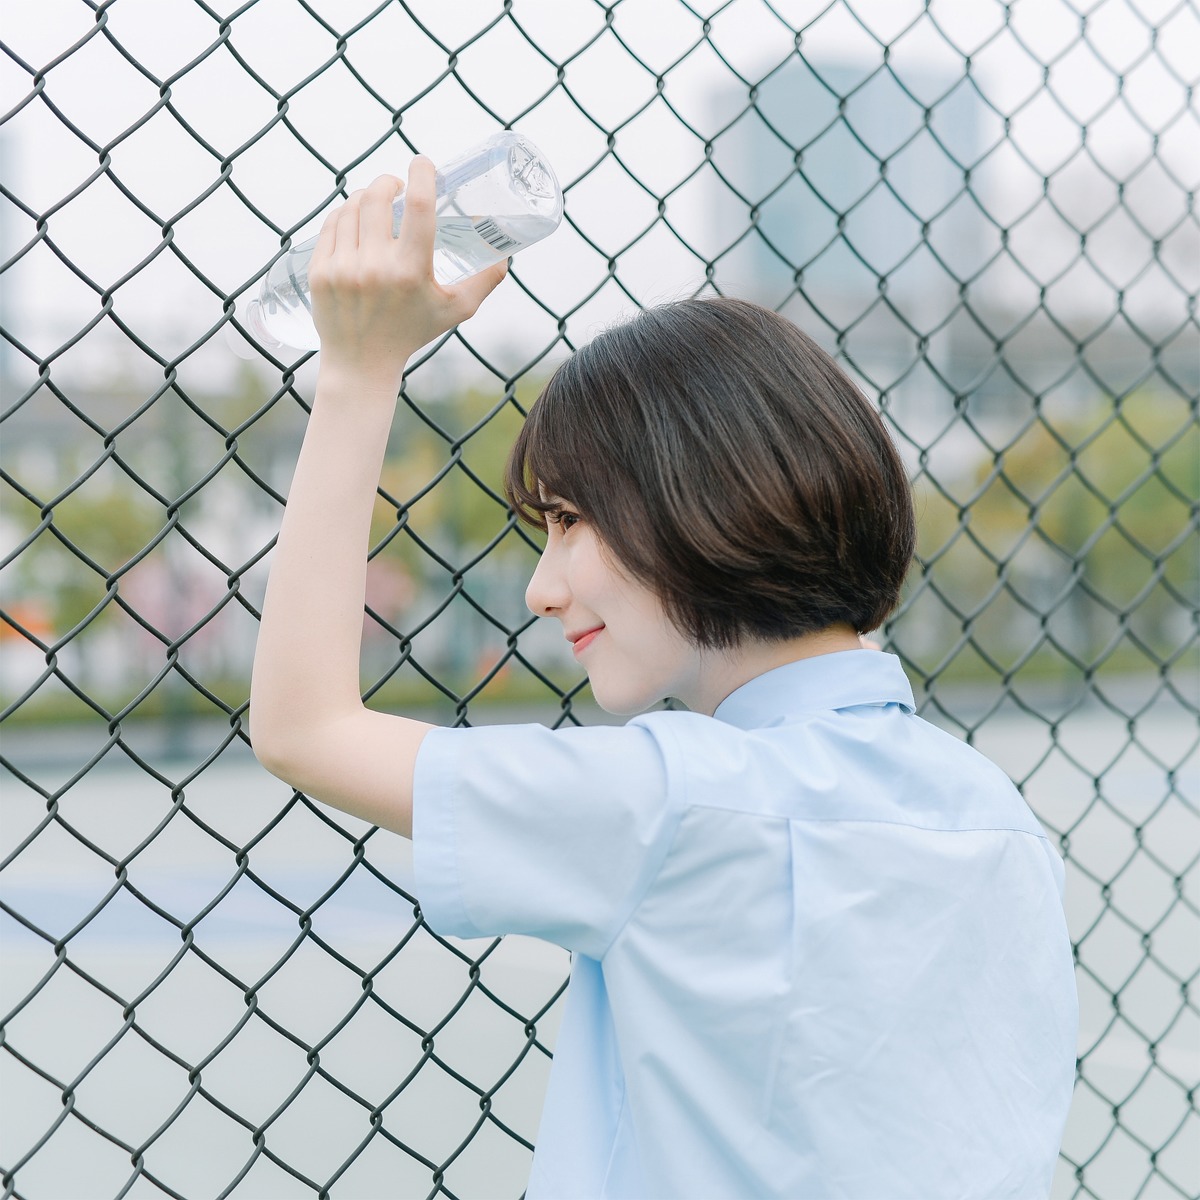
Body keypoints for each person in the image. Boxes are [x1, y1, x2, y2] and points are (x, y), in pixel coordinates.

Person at [250, 161, 1078, 1199]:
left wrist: (358, 372)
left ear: (705, 494)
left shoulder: (670, 802)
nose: (542, 590)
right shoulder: (998, 821)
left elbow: (303, 727)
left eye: (568, 521)